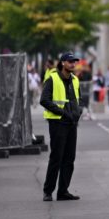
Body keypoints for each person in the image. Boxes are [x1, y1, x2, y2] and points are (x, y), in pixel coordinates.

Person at [40, 52, 82, 202]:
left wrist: (79, 111)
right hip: (58, 122)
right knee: (56, 158)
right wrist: (63, 113)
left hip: (72, 123)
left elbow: (78, 98)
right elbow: (44, 100)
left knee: (69, 158)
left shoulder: (75, 80)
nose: (73, 64)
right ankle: (48, 191)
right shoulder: (53, 78)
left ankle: (63, 191)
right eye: (70, 61)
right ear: (63, 63)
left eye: (74, 62)